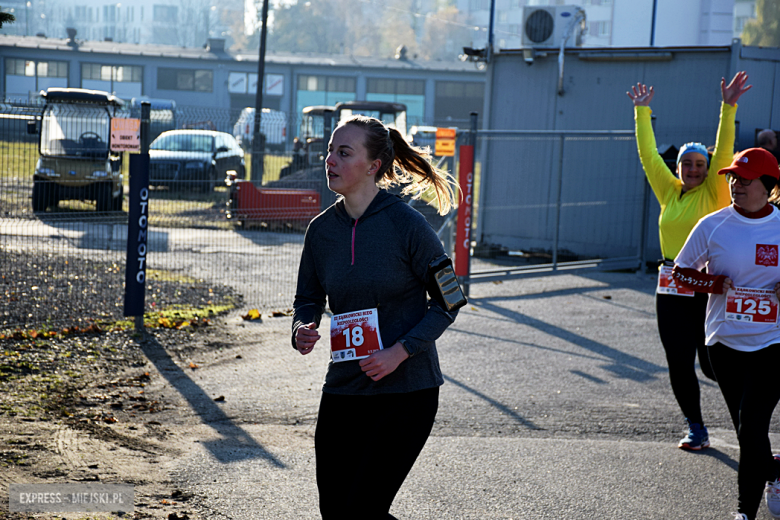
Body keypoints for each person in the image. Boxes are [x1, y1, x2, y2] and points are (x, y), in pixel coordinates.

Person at [291, 115, 461, 520]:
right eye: (330, 150)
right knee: (336, 511)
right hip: (344, 389)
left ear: (374, 166)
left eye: (343, 152)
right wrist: (302, 326)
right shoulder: (320, 231)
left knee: (364, 510)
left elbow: (449, 301)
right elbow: (307, 298)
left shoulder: (408, 225)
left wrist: (400, 352)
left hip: (407, 393)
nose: (330, 159)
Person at [627, 71, 751, 450]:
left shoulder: (714, 191)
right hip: (671, 286)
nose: (693, 169)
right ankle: (695, 427)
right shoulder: (670, 193)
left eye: (699, 163)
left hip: (710, 287)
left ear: (708, 167)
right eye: (687, 164)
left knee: (713, 365)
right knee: (679, 363)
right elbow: (648, 156)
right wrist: (642, 112)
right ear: (679, 168)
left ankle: (750, 418)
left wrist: (728, 107)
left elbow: (725, 149)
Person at [671, 147, 780, 520]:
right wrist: (712, 283)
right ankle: (774, 471)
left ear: (768, 185)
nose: (736, 186)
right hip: (724, 342)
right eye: (733, 178)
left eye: (745, 181)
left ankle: (743, 513)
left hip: (773, 342)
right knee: (746, 430)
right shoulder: (713, 225)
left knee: (752, 423)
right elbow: (680, 272)